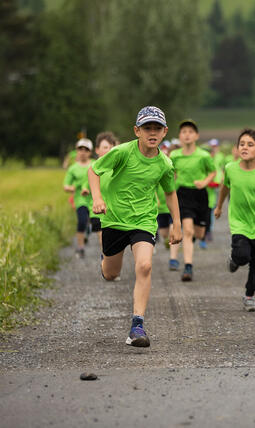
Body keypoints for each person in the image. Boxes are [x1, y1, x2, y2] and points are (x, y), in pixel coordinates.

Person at [88, 106, 181, 347]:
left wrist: (176, 224)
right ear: (137, 130)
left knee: (145, 265)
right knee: (111, 273)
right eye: (147, 128)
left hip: (143, 221)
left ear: (164, 132)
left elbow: (170, 193)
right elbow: (94, 170)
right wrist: (97, 199)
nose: (152, 132)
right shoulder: (121, 152)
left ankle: (137, 326)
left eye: (157, 128)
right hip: (115, 220)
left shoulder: (164, 163)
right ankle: (105, 261)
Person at [215, 129, 255, 311]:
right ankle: (235, 260)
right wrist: (219, 206)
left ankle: (250, 295)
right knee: (242, 255)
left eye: (250, 145)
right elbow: (224, 188)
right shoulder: (230, 168)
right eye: (242, 144)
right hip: (239, 222)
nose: (244, 147)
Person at [168, 119, 216, 281]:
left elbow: (213, 172)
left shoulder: (203, 155)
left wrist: (204, 182)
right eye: (183, 132)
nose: (187, 135)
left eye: (190, 132)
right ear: (180, 136)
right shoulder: (174, 155)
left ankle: (194, 239)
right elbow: (171, 173)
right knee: (187, 231)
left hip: (200, 195)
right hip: (182, 194)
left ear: (196, 136)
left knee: (199, 233)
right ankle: (188, 266)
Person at [63, 138, 93, 258]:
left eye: (86, 149)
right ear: (77, 151)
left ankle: (88, 231)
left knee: (93, 222)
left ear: (90, 152)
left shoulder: (95, 164)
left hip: (94, 198)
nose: (83, 152)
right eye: (80, 149)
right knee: (81, 221)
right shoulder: (73, 168)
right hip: (80, 199)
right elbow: (66, 186)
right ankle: (80, 248)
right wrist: (73, 188)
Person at [89, 132, 119, 249]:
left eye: (112, 148)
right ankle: (105, 259)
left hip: (114, 212)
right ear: (97, 150)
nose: (109, 150)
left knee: (113, 243)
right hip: (98, 211)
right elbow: (87, 184)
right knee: (104, 240)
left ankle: (106, 262)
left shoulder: (117, 168)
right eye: (105, 147)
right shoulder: (93, 168)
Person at [200, 138, 225, 248]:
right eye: (211, 147)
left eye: (215, 147)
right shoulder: (203, 159)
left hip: (214, 187)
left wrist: (219, 181)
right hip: (202, 190)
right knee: (202, 214)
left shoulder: (220, 157)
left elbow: (221, 169)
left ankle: (207, 232)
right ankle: (202, 234)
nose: (213, 150)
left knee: (210, 212)